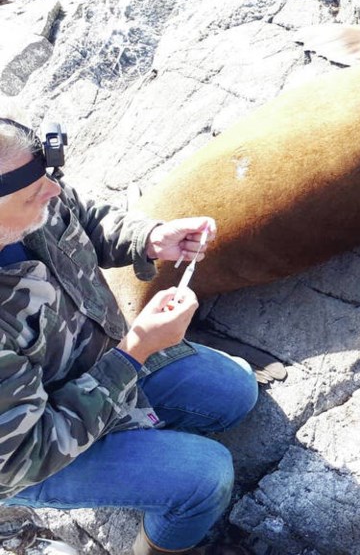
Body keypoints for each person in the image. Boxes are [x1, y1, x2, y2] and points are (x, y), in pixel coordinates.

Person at [0, 110, 258, 555]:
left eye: (48, 177)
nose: (53, 189)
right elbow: (26, 455)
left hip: (104, 363)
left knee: (236, 393)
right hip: (31, 456)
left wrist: (150, 238)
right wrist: (135, 352)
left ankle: (138, 441)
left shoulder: (36, 194)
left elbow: (83, 217)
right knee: (206, 478)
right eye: (33, 195)